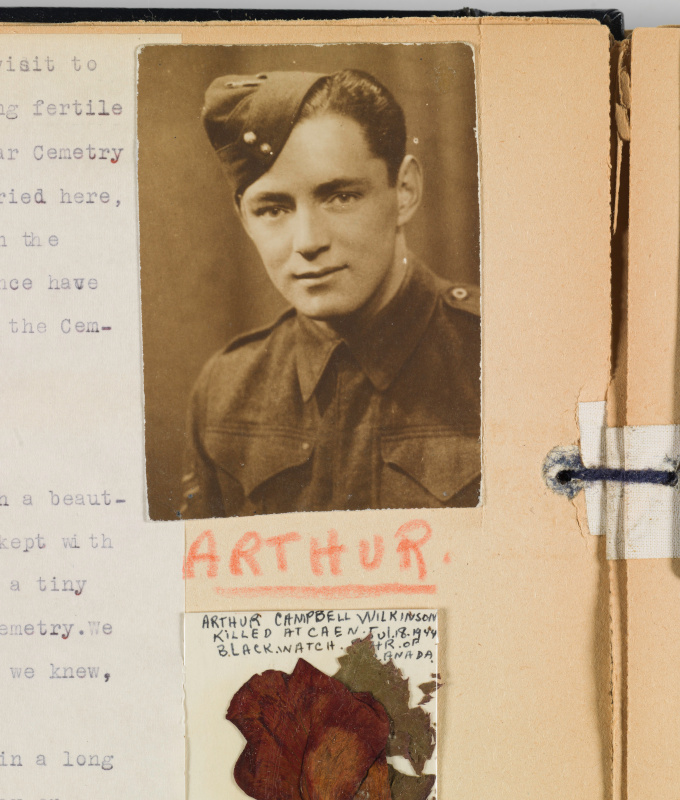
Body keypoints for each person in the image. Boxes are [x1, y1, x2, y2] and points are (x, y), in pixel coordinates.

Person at [180, 68, 480, 519]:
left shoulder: (502, 357)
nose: (307, 241)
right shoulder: (223, 392)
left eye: (340, 197)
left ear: (404, 191)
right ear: (244, 219)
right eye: (273, 209)